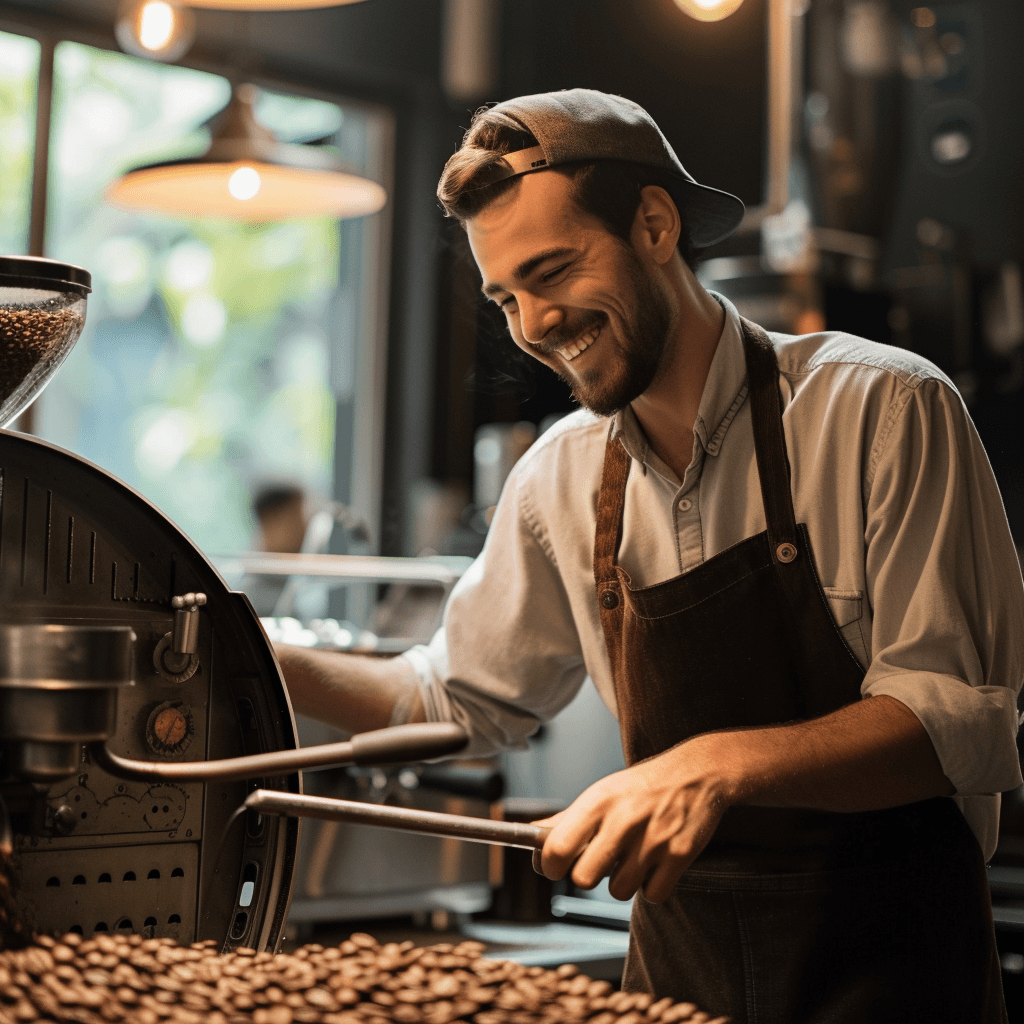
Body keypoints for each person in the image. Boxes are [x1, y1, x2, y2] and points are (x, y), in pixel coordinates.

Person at [276, 89, 1024, 1023]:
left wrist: (716, 765)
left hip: (898, 980)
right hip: (680, 989)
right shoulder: (560, 478)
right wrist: (251, 654)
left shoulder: (880, 409)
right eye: (506, 296)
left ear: (656, 224)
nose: (533, 325)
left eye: (553, 272)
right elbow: (451, 699)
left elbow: (956, 724)